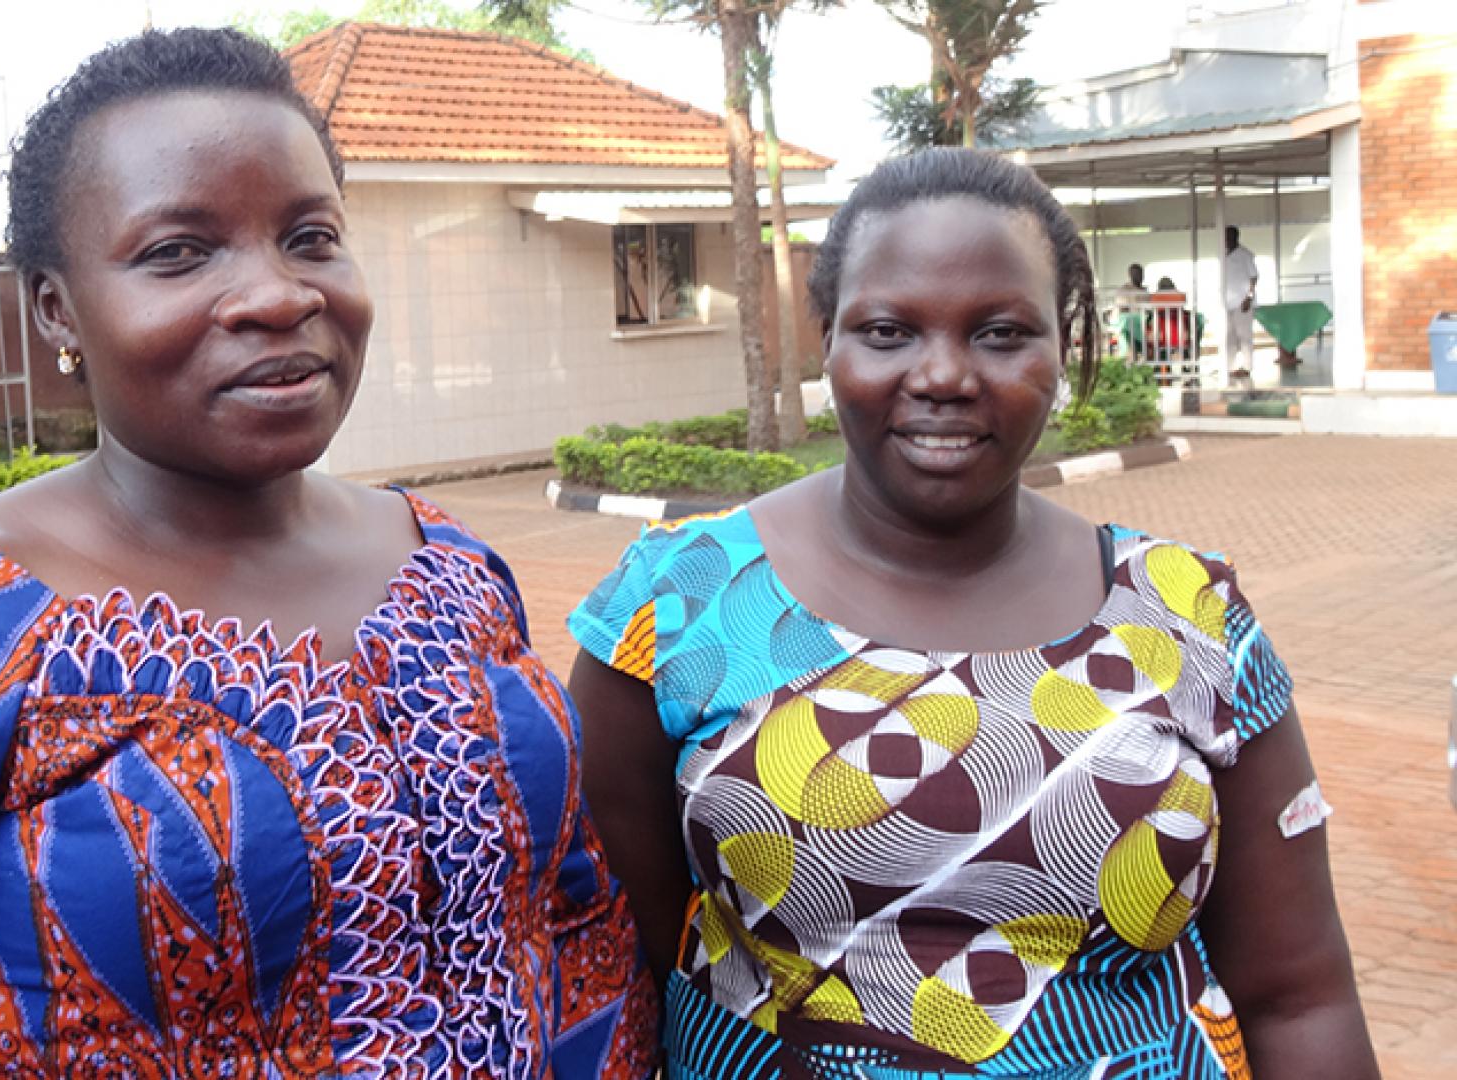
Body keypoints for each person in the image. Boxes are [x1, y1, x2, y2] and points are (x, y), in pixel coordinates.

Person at [0, 28, 656, 1077]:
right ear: (57, 307)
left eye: (312, 236)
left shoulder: (453, 567)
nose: (279, 295)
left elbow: (575, 925)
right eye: (178, 252)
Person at [570, 149, 1376, 1079]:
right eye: (886, 331)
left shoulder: (1191, 614)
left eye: (999, 333)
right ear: (826, 338)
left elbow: (1300, 994)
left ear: (1064, 347)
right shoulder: (680, 600)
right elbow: (614, 960)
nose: (943, 374)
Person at [1223, 225, 1260, 384]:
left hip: (1242, 302)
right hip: (1227, 302)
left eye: (1230, 236)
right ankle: (1230, 367)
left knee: (1244, 336)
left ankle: (1247, 366)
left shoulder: (1245, 255)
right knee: (1229, 336)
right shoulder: (1223, 254)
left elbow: (1253, 277)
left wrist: (1249, 297)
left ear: (1236, 237)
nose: (1227, 239)